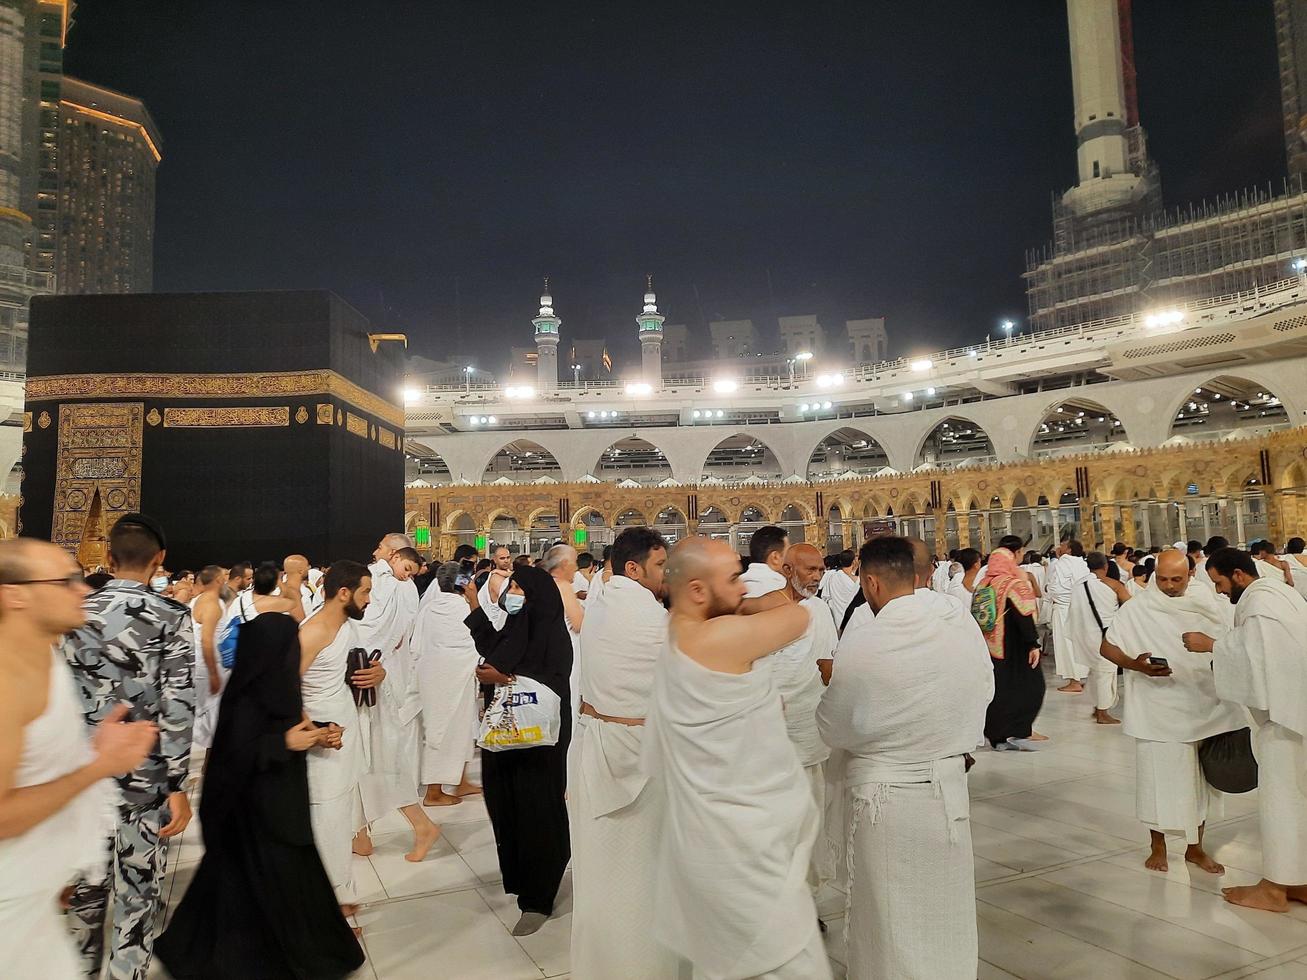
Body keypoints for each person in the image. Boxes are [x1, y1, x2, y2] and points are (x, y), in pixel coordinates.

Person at [645, 537, 827, 979]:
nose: (744, 587)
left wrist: (736, 602)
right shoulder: (718, 637)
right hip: (742, 844)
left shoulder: (675, 632)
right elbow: (799, 616)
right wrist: (785, 584)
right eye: (733, 578)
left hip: (707, 837)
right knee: (779, 959)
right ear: (697, 591)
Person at [818, 536, 992, 979]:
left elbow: (833, 727)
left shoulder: (863, 640)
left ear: (871, 582)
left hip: (887, 803)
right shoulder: (960, 625)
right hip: (948, 792)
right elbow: (983, 690)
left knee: (891, 917)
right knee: (945, 909)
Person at [154, 615, 365, 979]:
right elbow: (230, 759)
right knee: (259, 887)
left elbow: (289, 724)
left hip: (282, 807)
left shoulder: (278, 687)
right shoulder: (245, 698)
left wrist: (318, 733)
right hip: (251, 817)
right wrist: (283, 743)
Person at [0, 539, 157, 979]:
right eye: (64, 581)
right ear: (15, 594)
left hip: (31, 897)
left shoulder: (46, 654)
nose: (83, 589)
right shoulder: (5, 681)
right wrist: (99, 765)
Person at [63, 513, 196, 980]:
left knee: (85, 892)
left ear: (109, 557)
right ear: (160, 560)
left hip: (84, 778)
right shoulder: (172, 617)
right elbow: (178, 706)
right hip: (147, 779)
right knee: (137, 896)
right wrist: (178, 783)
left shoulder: (74, 615)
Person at [569, 526, 676, 979]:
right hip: (639, 756)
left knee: (601, 875)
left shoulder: (604, 599)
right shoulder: (650, 618)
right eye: (660, 567)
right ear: (633, 568)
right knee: (643, 877)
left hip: (595, 747)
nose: (666, 575)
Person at [1098, 549, 1240, 874]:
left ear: (1190, 575)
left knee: (1199, 780)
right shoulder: (1138, 608)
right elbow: (1107, 646)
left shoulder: (1207, 603)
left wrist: (1212, 645)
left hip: (1203, 703)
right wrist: (1136, 666)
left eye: (1177, 579)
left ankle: (1195, 848)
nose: (1170, 586)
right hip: (1157, 705)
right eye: (1163, 579)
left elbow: (1231, 644)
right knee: (1157, 779)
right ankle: (1157, 845)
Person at [1183, 547, 1307, 911]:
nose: (1219, 591)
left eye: (1220, 582)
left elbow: (1260, 656)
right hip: (1297, 710)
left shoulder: (1258, 602)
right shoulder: (1279, 593)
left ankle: (1273, 890)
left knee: (1281, 803)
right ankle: (1298, 880)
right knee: (1299, 802)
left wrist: (1212, 646)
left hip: (1285, 718)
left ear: (1237, 574)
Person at [465, 564, 573, 936]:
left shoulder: (551, 633)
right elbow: (497, 649)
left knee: (536, 809)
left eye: (520, 590)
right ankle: (521, 882)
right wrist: (476, 611)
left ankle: (539, 897)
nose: (513, 595)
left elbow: (553, 679)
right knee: (506, 805)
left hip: (539, 740)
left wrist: (504, 677)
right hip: (506, 735)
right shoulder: (518, 626)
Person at [740, 540, 834, 896]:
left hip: (806, 728)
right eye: (810, 569)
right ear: (788, 569)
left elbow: (826, 667)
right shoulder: (761, 606)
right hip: (765, 730)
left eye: (822, 570)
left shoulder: (818, 611)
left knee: (808, 817)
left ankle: (804, 898)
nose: (817, 576)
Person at [354, 544, 439, 861]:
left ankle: (422, 826)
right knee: (359, 764)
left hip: (374, 683)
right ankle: (359, 835)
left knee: (378, 762)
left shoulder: (399, 590)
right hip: (368, 680)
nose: (367, 598)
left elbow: (386, 637)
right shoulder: (378, 582)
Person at [297, 560, 370, 910]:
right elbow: (283, 688)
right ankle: (331, 905)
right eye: (365, 592)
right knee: (326, 819)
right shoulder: (312, 632)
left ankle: (342, 894)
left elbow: (357, 664)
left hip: (344, 729)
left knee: (340, 818)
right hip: (323, 739)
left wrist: (378, 674)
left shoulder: (346, 626)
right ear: (344, 593)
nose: (369, 600)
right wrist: (313, 732)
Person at [411, 562, 482, 807]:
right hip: (453, 677)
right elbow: (478, 642)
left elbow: (417, 645)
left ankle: (460, 781)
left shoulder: (429, 608)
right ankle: (433, 792)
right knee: (443, 732)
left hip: (433, 676)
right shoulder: (463, 610)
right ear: (463, 583)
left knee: (458, 731)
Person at [979, 545, 1046, 750]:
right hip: (1015, 647)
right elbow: (1023, 615)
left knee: (998, 690)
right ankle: (1018, 731)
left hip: (990, 646)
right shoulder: (1013, 584)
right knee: (1032, 687)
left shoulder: (984, 583)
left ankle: (997, 736)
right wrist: (1033, 643)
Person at [1066, 552, 1125, 725]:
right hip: (1104, 636)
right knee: (1106, 672)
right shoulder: (1113, 584)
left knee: (1095, 671)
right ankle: (1102, 712)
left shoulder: (1078, 585)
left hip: (1084, 635)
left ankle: (1097, 706)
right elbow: (1131, 605)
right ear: (1106, 566)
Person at [542, 543, 585, 720]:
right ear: (565, 564)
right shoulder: (563, 586)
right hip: (568, 649)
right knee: (570, 699)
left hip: (547, 650)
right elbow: (578, 624)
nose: (576, 567)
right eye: (574, 562)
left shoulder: (542, 585)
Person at [1046, 537, 1091, 693]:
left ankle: (1074, 681)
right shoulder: (1082, 563)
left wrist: (1050, 594)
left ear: (1069, 549)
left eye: (1063, 545)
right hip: (1079, 607)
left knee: (1066, 644)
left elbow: (1057, 588)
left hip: (1064, 608)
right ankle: (1081, 677)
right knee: (1077, 643)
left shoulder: (1063, 563)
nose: (1059, 547)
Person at [189, 565, 226, 749]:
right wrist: (213, 673)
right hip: (207, 663)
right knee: (211, 709)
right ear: (218, 580)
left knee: (200, 708)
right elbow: (206, 641)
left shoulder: (198, 599)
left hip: (198, 662)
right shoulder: (212, 604)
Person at [822, 549, 859, 632]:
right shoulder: (859, 581)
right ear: (853, 562)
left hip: (837, 620)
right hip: (855, 621)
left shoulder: (832, 577)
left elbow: (825, 597)